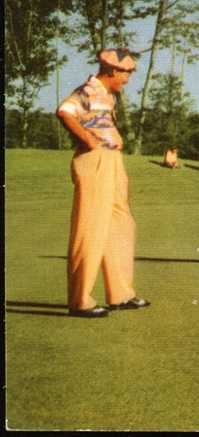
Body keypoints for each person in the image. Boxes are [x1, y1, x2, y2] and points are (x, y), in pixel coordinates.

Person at [56, 47, 150, 318]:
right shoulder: (88, 90)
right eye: (126, 74)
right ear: (112, 71)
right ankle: (80, 300)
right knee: (91, 228)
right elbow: (64, 111)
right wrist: (88, 139)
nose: (128, 79)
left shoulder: (107, 95)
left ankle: (120, 294)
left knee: (121, 223)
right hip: (95, 160)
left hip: (112, 159)